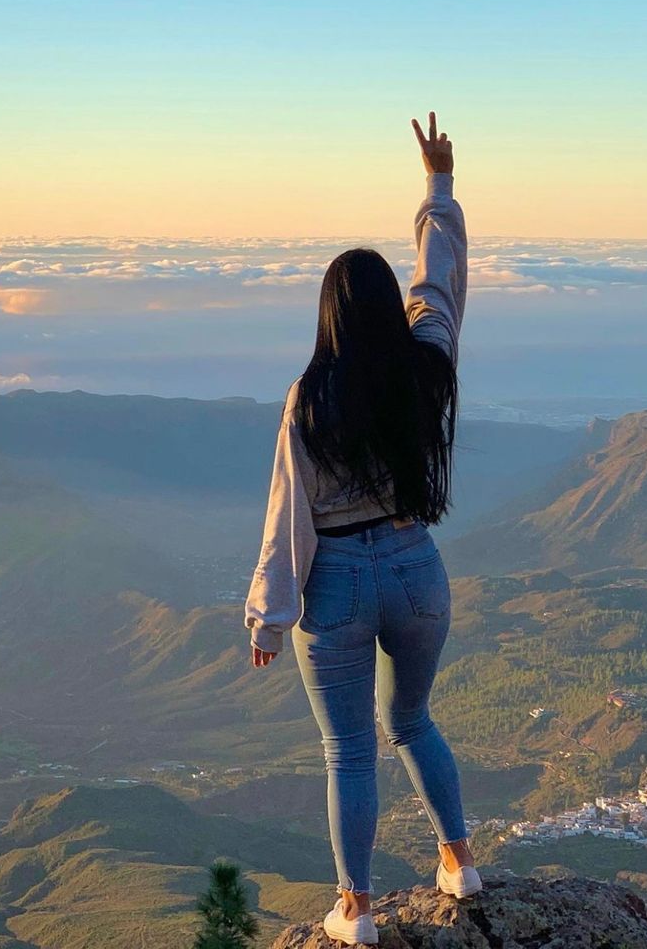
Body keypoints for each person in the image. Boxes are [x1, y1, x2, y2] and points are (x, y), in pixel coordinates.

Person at [242, 112, 481, 947]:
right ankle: (459, 860)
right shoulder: (427, 367)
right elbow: (440, 282)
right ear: (388, 307)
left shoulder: (310, 399)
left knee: (349, 751)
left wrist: (270, 615)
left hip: (337, 580)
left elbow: (288, 514)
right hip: (417, 565)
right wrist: (437, 187)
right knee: (412, 720)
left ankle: (357, 910)